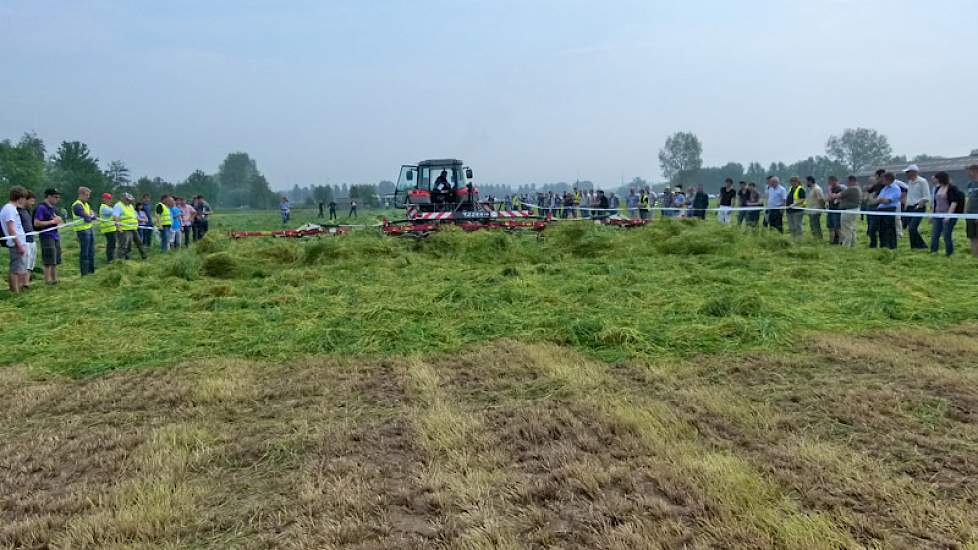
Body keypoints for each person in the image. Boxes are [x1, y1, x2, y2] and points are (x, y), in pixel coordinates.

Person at [1, 186, 29, 293]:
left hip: (20, 241)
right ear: (19, 197)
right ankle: (15, 291)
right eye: (24, 198)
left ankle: (19, 289)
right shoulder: (9, 209)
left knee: (20, 268)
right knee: (15, 270)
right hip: (16, 243)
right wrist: (19, 244)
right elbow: (11, 229)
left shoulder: (12, 209)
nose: (24, 200)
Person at [33, 188, 63, 285]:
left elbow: (57, 220)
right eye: (55, 197)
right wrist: (52, 222)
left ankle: (54, 279)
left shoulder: (52, 208)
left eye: (58, 197)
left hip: (55, 235)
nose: (57, 199)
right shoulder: (41, 207)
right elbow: (36, 222)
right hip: (46, 235)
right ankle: (47, 280)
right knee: (48, 259)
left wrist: (58, 220)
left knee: (55, 258)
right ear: (49, 196)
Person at [930, 171, 964, 256]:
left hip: (948, 215)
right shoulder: (937, 188)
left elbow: (954, 202)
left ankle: (949, 253)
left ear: (940, 179)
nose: (934, 179)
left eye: (936, 178)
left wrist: (948, 216)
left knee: (946, 235)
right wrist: (932, 214)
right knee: (934, 234)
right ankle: (933, 251)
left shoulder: (952, 188)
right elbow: (935, 203)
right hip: (937, 214)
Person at [903, 164, 930, 249]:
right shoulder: (910, 182)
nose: (906, 174)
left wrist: (920, 204)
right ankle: (915, 246)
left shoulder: (922, 181)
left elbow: (927, 196)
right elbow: (910, 195)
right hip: (909, 207)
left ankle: (922, 246)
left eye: (908, 172)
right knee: (911, 229)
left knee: (912, 228)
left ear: (913, 172)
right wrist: (906, 204)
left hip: (918, 207)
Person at [114, 193, 146, 260]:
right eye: (128, 200)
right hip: (124, 229)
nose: (130, 201)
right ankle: (120, 261)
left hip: (133, 228)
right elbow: (116, 217)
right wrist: (118, 228)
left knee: (139, 243)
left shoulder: (130, 206)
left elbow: (135, 216)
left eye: (130, 200)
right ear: (123, 199)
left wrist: (142, 220)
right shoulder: (118, 206)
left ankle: (144, 257)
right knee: (123, 246)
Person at [72, 187, 97, 275]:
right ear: (81, 194)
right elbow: (87, 217)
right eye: (86, 195)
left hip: (89, 229)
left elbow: (94, 214)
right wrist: (91, 216)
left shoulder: (86, 204)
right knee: (85, 253)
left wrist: (91, 215)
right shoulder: (77, 205)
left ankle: (91, 271)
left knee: (91, 251)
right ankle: (85, 273)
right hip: (82, 231)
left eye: (88, 195)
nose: (88, 197)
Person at [874, 172, 902, 250]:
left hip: (889, 210)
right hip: (880, 210)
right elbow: (877, 200)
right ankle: (883, 246)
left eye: (883, 178)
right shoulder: (884, 188)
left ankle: (891, 247)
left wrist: (880, 200)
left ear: (888, 179)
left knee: (889, 230)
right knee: (881, 230)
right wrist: (880, 200)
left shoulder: (895, 188)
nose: (882, 180)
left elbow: (887, 201)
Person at [18, 192, 37, 286]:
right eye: (31, 201)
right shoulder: (18, 211)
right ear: (25, 199)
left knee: (30, 264)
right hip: (24, 241)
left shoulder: (28, 211)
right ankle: (20, 284)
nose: (32, 203)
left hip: (32, 240)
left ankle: (26, 284)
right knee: (24, 264)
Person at [839, 176, 862, 248]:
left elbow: (839, 195)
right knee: (851, 228)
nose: (847, 183)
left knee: (846, 228)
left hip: (849, 210)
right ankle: (852, 244)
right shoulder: (858, 188)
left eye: (848, 181)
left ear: (852, 181)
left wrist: (833, 194)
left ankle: (846, 245)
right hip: (854, 210)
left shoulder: (852, 189)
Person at [98, 192, 117, 262]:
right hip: (108, 229)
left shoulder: (107, 207)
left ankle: (111, 257)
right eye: (108, 199)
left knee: (112, 244)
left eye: (110, 199)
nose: (109, 200)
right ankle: (110, 259)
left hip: (111, 228)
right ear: (104, 199)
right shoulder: (104, 207)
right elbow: (114, 212)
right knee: (111, 245)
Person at [805, 176, 825, 240]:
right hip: (811, 211)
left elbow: (821, 199)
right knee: (812, 226)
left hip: (816, 211)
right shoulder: (812, 189)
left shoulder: (817, 189)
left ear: (810, 181)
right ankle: (815, 238)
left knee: (816, 226)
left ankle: (819, 239)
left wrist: (823, 208)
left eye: (807, 182)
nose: (806, 183)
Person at [825, 176, 843, 244]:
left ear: (834, 181)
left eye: (829, 181)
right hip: (831, 209)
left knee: (837, 227)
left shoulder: (839, 189)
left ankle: (841, 241)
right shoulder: (831, 189)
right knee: (830, 226)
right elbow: (827, 198)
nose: (828, 183)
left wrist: (829, 191)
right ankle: (832, 241)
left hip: (836, 210)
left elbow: (832, 198)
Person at [967, 164, 978, 257]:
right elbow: (969, 199)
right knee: (972, 236)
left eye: (970, 171)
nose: (969, 173)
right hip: (970, 214)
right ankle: (974, 256)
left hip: (977, 214)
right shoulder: (970, 184)